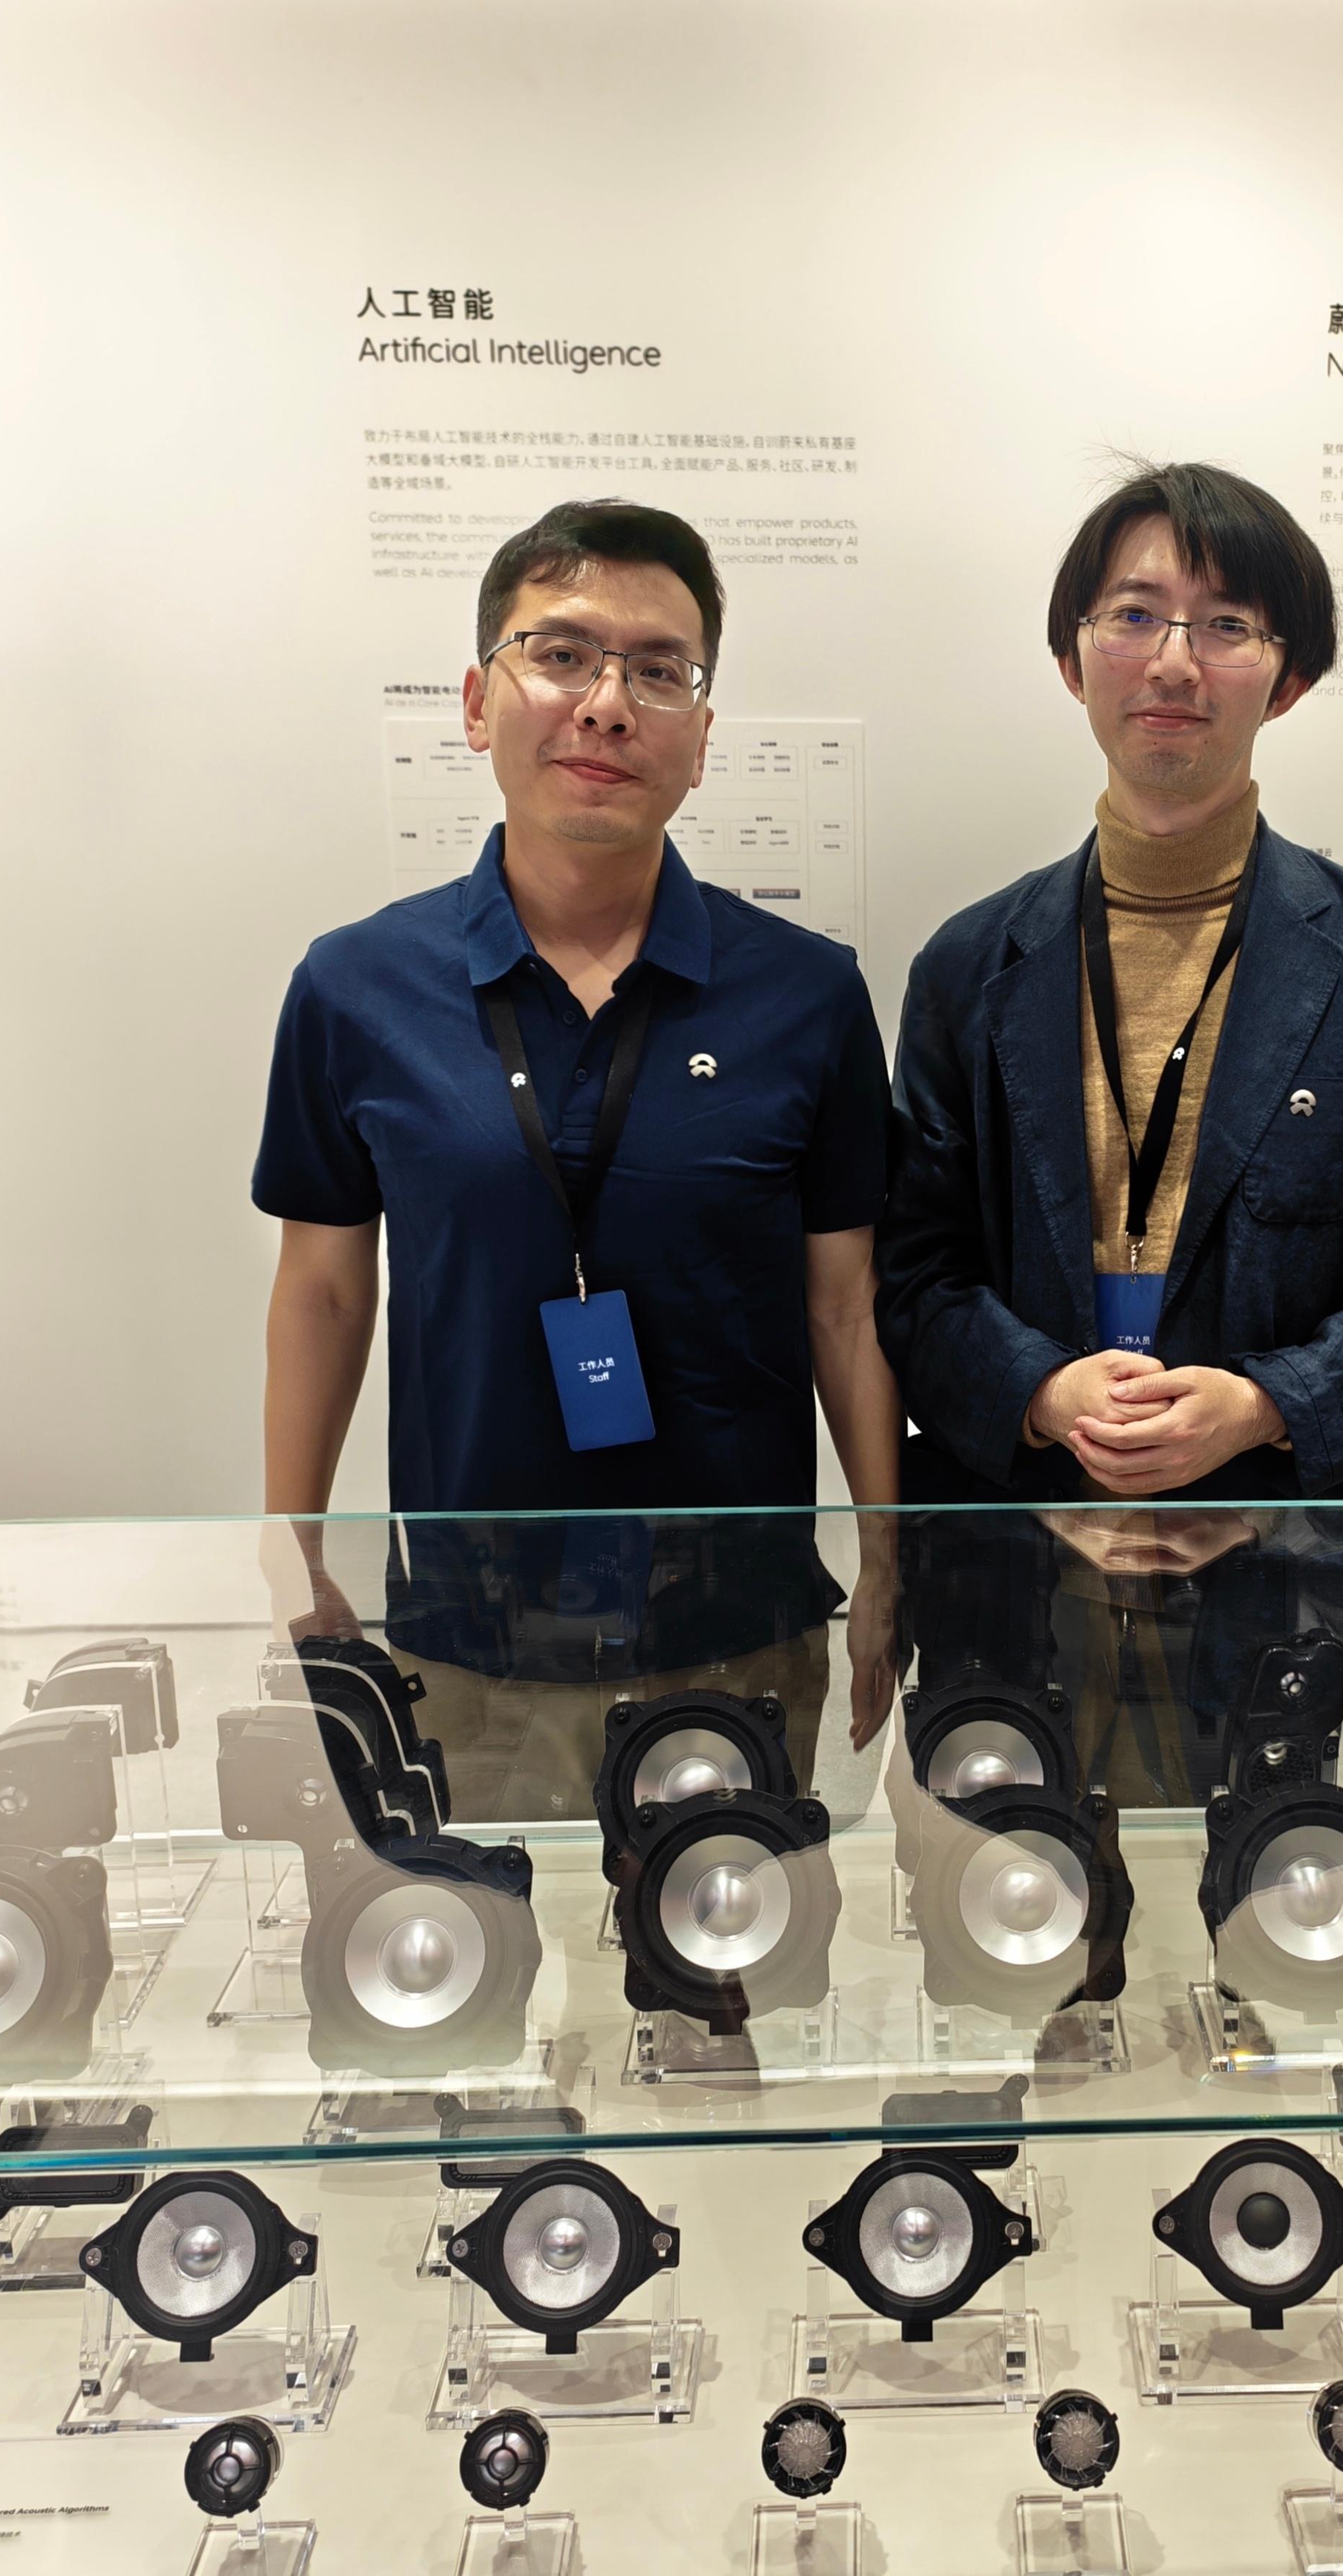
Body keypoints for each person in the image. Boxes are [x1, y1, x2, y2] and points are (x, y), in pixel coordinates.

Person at [253, 499, 900, 1803]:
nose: (607, 705)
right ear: (477, 702)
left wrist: (889, 1557)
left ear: (701, 739)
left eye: (659, 671)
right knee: (477, 1930)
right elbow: (323, 1288)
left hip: (740, 1625)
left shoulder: (808, 993)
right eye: (561, 655)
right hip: (471, 1628)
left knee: (747, 1931)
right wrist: (290, 1549)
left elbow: (846, 1305)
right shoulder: (355, 987)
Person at [876, 459, 1343, 1507]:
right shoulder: (968, 963)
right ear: (1073, 660)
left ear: (1287, 680)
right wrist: (1042, 1391)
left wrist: (1269, 1404)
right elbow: (913, 1271)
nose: (1173, 662)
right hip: (1024, 1546)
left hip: (1284, 1545)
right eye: (1134, 616)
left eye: (1225, 626)